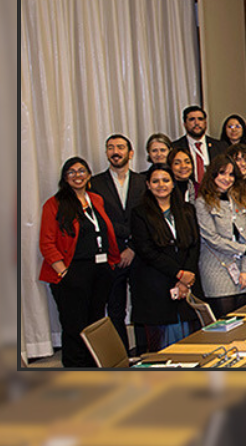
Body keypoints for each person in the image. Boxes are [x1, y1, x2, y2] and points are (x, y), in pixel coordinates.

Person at [38, 157, 121, 366]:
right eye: (72, 172)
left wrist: (110, 263)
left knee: (95, 323)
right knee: (74, 326)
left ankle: (94, 367)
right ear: (65, 178)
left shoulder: (96, 200)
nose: (77, 175)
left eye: (82, 171)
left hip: (100, 269)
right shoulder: (54, 204)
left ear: (89, 175)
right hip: (72, 271)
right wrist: (64, 272)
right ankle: (75, 370)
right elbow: (47, 243)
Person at [128, 164, 200, 349]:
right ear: (148, 185)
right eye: (155, 181)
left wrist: (187, 276)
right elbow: (147, 251)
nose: (161, 185)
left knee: (189, 344)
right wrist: (179, 274)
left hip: (185, 285)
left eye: (166, 180)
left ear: (173, 184)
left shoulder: (187, 210)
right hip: (155, 286)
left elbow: (194, 245)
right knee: (160, 346)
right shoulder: (139, 213)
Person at [88, 134, 145, 350]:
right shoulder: (95, 184)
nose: (115, 152)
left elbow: (147, 218)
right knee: (115, 309)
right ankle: (121, 355)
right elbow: (100, 220)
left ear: (130, 153)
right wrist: (122, 246)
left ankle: (143, 350)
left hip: (139, 254)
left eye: (120, 147)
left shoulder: (143, 181)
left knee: (142, 307)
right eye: (110, 147)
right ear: (106, 153)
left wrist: (132, 246)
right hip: (112, 255)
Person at [194, 155, 246, 317]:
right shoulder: (202, 202)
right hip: (217, 268)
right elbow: (212, 239)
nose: (227, 179)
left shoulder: (241, 200)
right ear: (213, 174)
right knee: (227, 324)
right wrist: (245, 249)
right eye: (222, 173)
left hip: (243, 269)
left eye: (231, 175)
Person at [173, 105, 224, 184]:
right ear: (184, 124)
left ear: (205, 123)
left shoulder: (221, 146)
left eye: (200, 119)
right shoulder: (174, 147)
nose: (196, 123)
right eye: (192, 119)